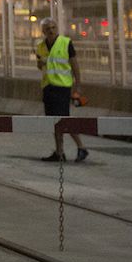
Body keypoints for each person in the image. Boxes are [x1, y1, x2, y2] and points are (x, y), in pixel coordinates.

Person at [36, 17, 87, 162]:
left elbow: (75, 65)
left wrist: (78, 86)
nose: (51, 31)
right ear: (43, 31)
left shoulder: (65, 43)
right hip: (48, 87)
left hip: (63, 87)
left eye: (53, 27)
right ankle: (59, 152)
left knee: (64, 120)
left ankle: (81, 147)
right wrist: (40, 63)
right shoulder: (40, 47)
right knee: (54, 121)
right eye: (47, 29)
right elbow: (40, 66)